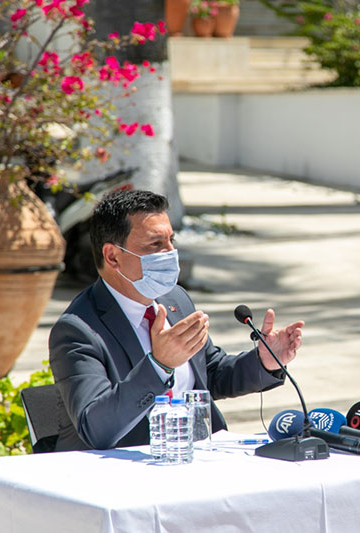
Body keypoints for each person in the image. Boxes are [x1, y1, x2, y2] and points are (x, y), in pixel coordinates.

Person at [49, 189, 304, 450]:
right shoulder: (77, 330)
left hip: (195, 455)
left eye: (171, 240)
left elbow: (210, 373)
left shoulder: (174, 299)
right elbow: (97, 428)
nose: (170, 253)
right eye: (155, 245)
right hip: (123, 472)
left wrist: (264, 361)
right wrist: (159, 366)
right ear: (113, 256)